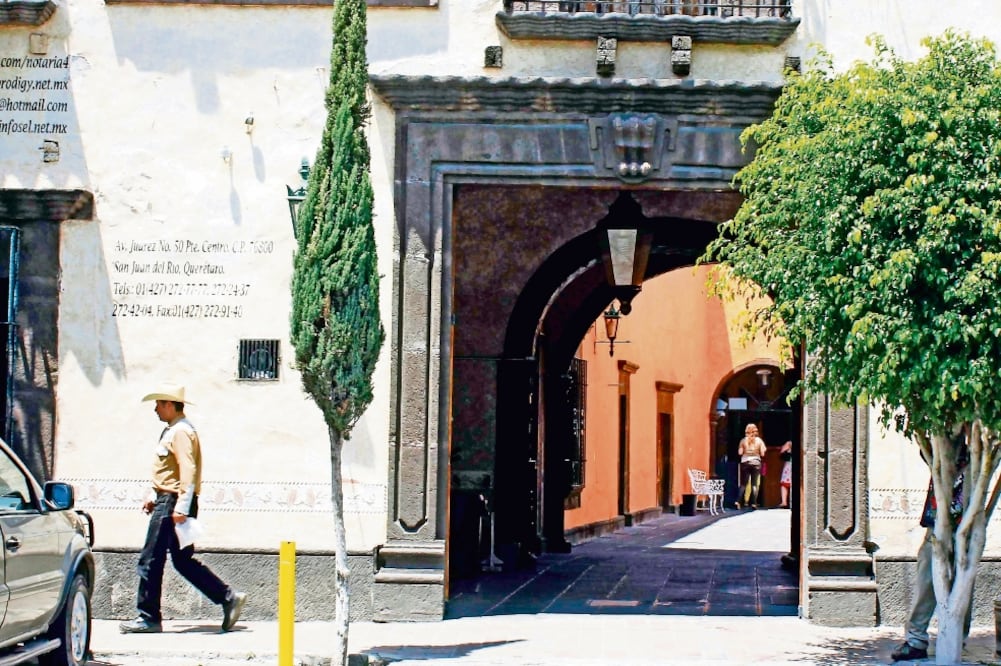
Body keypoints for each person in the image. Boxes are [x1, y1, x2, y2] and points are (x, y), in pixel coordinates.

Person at [119, 382, 247, 634]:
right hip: (167, 500)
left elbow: (187, 470)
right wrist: (154, 495)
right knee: (181, 561)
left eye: (158, 404)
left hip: (172, 503)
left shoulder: (180, 431)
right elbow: (170, 472)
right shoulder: (175, 429)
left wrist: (181, 506)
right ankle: (228, 597)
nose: (155, 409)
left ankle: (148, 617)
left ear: (169, 404)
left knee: (150, 560)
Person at [891, 434, 971, 662]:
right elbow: (923, 447)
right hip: (937, 526)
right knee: (926, 579)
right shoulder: (939, 448)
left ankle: (955, 637)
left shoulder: (974, 452)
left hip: (964, 528)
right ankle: (916, 639)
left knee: (962, 583)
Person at [736, 423, 766, 509]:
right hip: (756, 462)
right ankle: (753, 503)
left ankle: (738, 502)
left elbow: (740, 453)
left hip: (745, 462)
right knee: (754, 484)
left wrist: (746, 451)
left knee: (743, 484)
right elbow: (763, 453)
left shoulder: (743, 440)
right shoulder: (759, 441)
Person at [779, 441, 793, 508]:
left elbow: (782, 453)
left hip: (789, 465)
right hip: (789, 465)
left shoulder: (789, 443)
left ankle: (785, 501)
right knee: (785, 484)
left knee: (785, 484)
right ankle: (784, 502)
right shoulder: (789, 443)